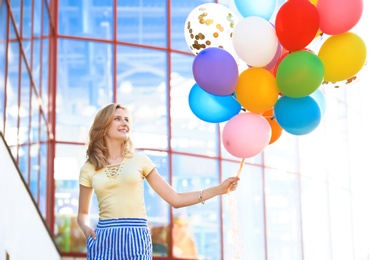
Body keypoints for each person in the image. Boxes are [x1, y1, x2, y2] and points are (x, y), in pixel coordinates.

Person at [77, 103, 240, 260]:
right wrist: (85, 229)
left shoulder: (140, 160)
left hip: (137, 236)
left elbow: (175, 199)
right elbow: (83, 213)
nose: (124, 123)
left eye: (127, 120)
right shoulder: (89, 168)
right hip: (104, 237)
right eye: (117, 119)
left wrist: (219, 189)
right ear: (103, 125)